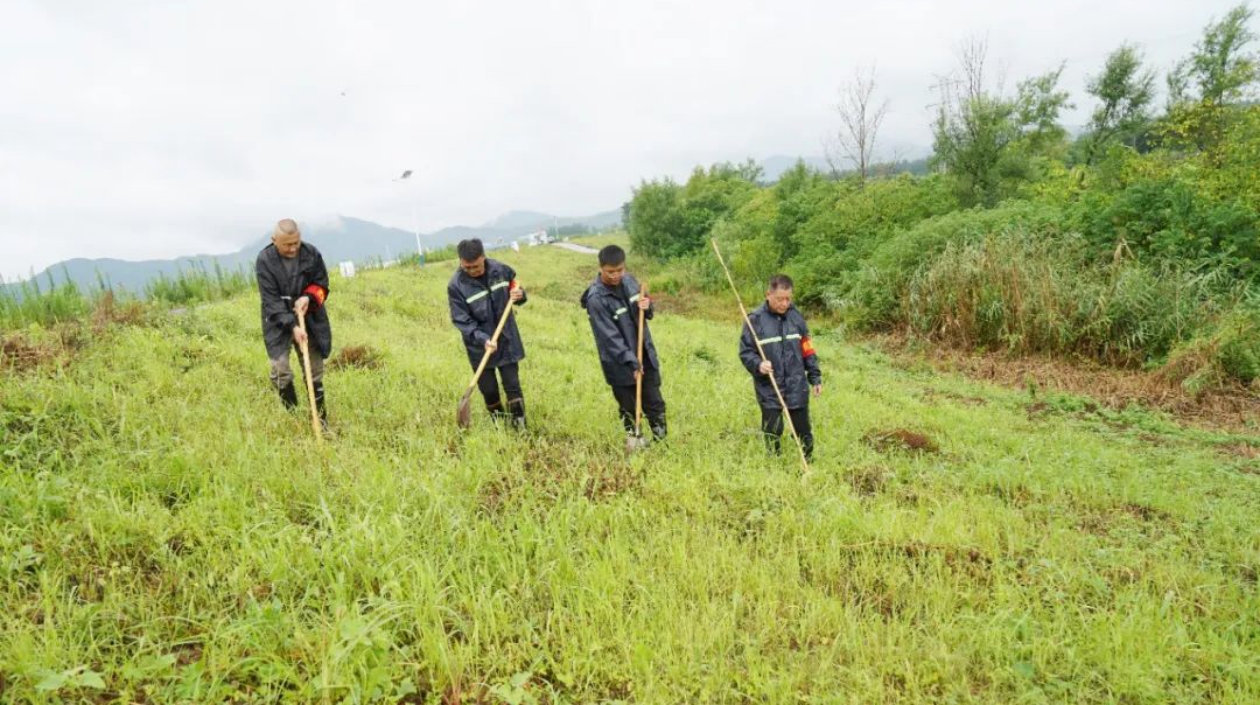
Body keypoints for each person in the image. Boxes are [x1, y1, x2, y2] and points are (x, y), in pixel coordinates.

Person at [580, 244, 667, 440]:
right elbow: (609, 338)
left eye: (619, 270)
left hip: (644, 354)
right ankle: (635, 441)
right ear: (601, 268)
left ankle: (661, 443)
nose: (615, 275)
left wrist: (648, 305)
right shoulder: (596, 299)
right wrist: (632, 362)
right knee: (629, 407)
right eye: (610, 271)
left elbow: (646, 312)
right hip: (619, 362)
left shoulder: (630, 282)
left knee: (654, 401)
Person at [255, 218, 332, 429]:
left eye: (296, 243)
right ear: (274, 241)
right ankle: (293, 416)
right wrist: (293, 327)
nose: (293, 248)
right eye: (287, 244)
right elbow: (270, 301)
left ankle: (321, 420)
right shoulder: (265, 261)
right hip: (278, 321)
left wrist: (308, 297)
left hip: (310, 318)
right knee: (280, 370)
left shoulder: (311, 254)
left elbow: (322, 285)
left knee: (314, 372)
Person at [739, 274, 821, 459]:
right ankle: (774, 463)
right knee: (773, 430)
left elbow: (807, 349)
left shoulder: (796, 317)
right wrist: (758, 364)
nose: (784, 304)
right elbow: (745, 352)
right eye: (779, 299)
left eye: (788, 299)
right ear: (769, 294)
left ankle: (807, 459)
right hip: (769, 386)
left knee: (803, 429)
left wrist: (815, 376)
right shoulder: (755, 320)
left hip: (796, 384)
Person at [448, 238, 528, 427]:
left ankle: (520, 428)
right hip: (479, 347)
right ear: (461, 262)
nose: (472, 271)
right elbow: (462, 320)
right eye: (467, 267)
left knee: (512, 385)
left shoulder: (501, 271)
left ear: (483, 257)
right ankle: (499, 426)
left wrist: (520, 295)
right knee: (489, 390)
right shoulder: (456, 286)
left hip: (506, 340)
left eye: (475, 266)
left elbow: (516, 289)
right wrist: (483, 339)